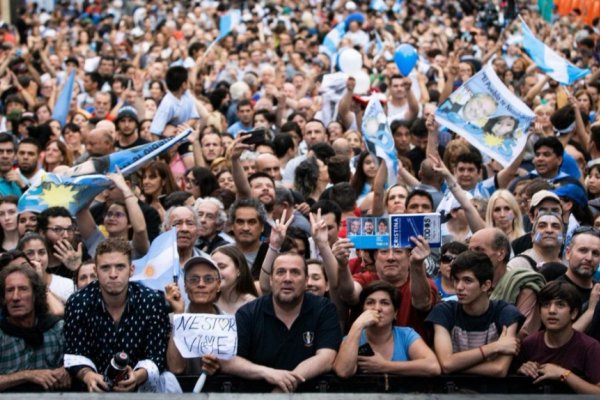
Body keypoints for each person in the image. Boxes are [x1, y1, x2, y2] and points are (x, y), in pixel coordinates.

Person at [221, 252, 342, 392]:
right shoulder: (248, 313)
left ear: (306, 280)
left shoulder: (324, 309)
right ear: (271, 280)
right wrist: (269, 373)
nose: (287, 279)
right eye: (280, 272)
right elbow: (229, 361)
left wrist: (284, 385)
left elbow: (326, 359)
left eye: (295, 272)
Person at [63, 239, 172, 392]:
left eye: (120, 267)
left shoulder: (151, 301)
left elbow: (156, 355)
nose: (113, 274)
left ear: (131, 269)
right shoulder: (78, 302)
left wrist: (137, 376)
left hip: (139, 392)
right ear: (96, 271)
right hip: (91, 392)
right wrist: (88, 376)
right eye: (105, 267)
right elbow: (74, 353)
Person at [426, 251, 524, 377]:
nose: (459, 287)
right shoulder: (444, 311)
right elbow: (446, 364)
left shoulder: (506, 313)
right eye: (456, 280)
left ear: (485, 285)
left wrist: (456, 366)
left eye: (467, 280)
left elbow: (499, 369)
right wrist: (495, 347)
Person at [333, 281, 440, 378]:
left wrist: (384, 366)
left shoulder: (406, 335)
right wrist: (357, 325)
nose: (377, 308)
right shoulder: (352, 337)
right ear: (363, 310)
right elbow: (343, 371)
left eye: (384, 303)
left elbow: (433, 366)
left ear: (395, 312)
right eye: (370, 302)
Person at [517, 281, 600, 394]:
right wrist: (521, 370)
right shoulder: (529, 343)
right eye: (546, 305)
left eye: (560, 305)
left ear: (574, 313)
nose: (551, 311)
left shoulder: (590, 347)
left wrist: (564, 374)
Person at [0, 261, 70, 391]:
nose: (15, 297)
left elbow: (81, 363)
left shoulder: (57, 329)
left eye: (23, 289)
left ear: (35, 295)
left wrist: (67, 370)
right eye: (10, 290)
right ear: (4, 298)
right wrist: (27, 375)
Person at [165, 254, 223, 376]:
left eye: (208, 279)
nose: (201, 284)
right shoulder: (172, 320)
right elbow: (176, 368)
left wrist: (221, 365)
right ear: (185, 286)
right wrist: (179, 315)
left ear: (218, 285)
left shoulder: (230, 321)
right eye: (194, 280)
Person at [211, 245, 258, 314]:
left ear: (238, 270)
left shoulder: (253, 305)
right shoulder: (207, 302)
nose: (217, 272)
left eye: (222, 266)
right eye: (212, 268)